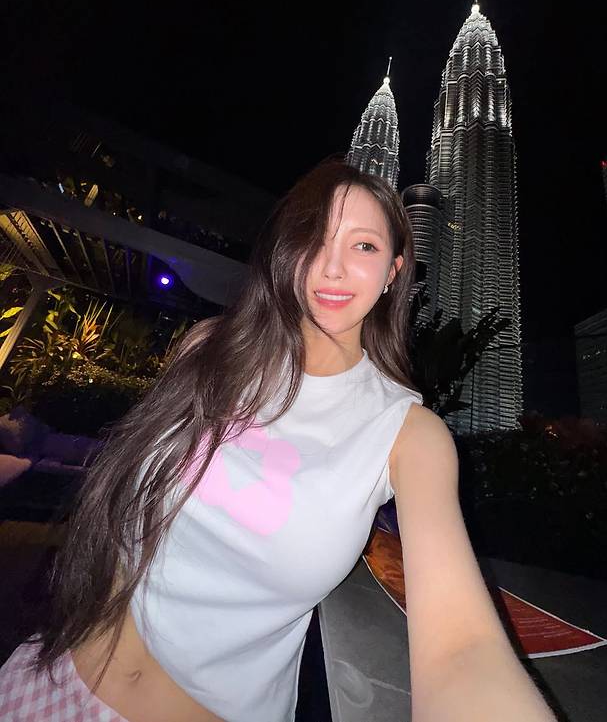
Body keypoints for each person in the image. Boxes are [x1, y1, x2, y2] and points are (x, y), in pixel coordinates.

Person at [0, 159, 556, 722]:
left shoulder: (408, 433)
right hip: (49, 675)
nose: (332, 267)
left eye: (363, 246)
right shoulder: (209, 349)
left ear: (394, 271)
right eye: (315, 237)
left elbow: (463, 647)